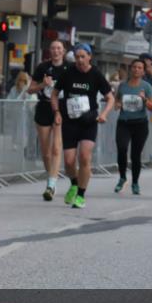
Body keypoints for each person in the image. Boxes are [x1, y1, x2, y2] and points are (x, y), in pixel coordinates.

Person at [51, 43, 115, 209]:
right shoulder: (68, 72)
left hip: (88, 122)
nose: (79, 60)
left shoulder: (96, 75)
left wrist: (104, 114)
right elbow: (54, 94)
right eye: (77, 57)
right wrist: (57, 112)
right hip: (70, 122)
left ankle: (80, 195)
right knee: (69, 161)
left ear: (89, 57)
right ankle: (74, 183)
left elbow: (111, 98)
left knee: (85, 157)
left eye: (82, 57)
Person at [29, 40, 68, 200]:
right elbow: (29, 89)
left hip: (61, 109)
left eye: (59, 48)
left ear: (63, 51)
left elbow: (79, 86)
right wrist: (42, 85)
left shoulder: (69, 68)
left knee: (56, 149)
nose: (56, 51)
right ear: (49, 51)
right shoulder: (42, 68)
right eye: (53, 48)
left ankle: (51, 185)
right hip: (44, 108)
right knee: (45, 152)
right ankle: (51, 177)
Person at [114, 59, 152, 195]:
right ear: (130, 69)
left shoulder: (146, 87)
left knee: (135, 155)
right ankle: (122, 177)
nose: (136, 70)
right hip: (124, 122)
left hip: (140, 124)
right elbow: (116, 102)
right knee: (121, 148)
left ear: (143, 71)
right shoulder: (122, 86)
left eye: (139, 68)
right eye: (134, 67)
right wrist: (118, 105)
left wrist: (144, 99)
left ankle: (135, 182)